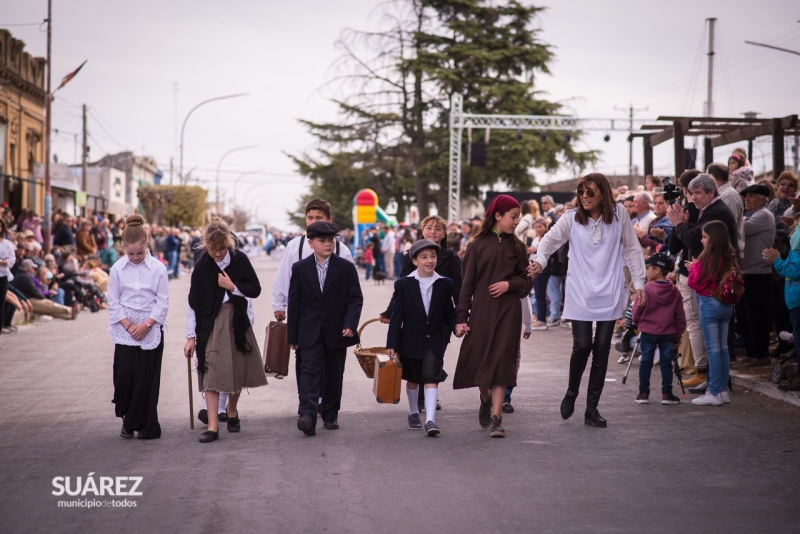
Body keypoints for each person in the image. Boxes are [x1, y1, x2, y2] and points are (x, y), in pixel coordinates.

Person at [530, 173, 646, 428]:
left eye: (590, 192)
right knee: (582, 346)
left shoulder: (619, 215)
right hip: (580, 289)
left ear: (604, 193)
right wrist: (539, 261)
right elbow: (548, 241)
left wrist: (639, 283)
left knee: (602, 349)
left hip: (610, 289)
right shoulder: (571, 218)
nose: (584, 196)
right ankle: (572, 391)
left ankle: (591, 408)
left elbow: (632, 248)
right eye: (581, 191)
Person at [454, 194, 533, 438]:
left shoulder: (518, 247)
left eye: (518, 217)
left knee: (501, 361)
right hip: (482, 312)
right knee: (480, 360)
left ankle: (497, 419)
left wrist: (508, 285)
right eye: (513, 217)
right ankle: (485, 398)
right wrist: (461, 318)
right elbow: (466, 285)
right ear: (498, 216)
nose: (516, 221)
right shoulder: (476, 245)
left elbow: (526, 283)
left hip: (509, 313)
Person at [184, 217, 267, 443]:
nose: (218, 254)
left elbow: (255, 289)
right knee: (211, 372)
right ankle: (212, 426)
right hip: (210, 324)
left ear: (228, 243)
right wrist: (190, 337)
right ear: (206, 246)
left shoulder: (240, 260)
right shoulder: (202, 266)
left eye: (221, 250)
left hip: (236, 321)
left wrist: (233, 287)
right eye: (213, 250)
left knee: (236, 371)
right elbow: (193, 303)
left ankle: (231, 409)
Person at [272, 199, 354, 410]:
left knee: (333, 365)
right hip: (306, 317)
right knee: (306, 363)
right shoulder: (295, 245)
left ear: (329, 220)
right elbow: (284, 277)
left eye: (319, 218)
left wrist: (349, 321)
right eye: (310, 218)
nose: (313, 222)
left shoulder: (341, 250)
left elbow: (351, 289)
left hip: (333, 319)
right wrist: (279, 304)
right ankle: (307, 403)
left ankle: (327, 406)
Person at [288, 221, 363, 436]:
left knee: (333, 373)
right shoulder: (300, 268)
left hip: (337, 330)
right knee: (309, 372)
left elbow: (355, 298)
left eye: (331, 240)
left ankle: (330, 415)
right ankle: (307, 416)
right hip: (308, 331)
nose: (328, 244)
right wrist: (292, 334)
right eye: (322, 241)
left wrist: (350, 324)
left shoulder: (345, 267)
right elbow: (294, 303)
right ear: (311, 243)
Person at [380, 215, 462, 413]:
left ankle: (430, 393)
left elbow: (458, 289)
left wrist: (461, 317)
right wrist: (390, 312)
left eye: (438, 229)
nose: (433, 231)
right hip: (415, 318)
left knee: (434, 356)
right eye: (429, 228)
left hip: (439, 318)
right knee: (417, 360)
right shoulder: (411, 256)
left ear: (444, 234)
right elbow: (401, 287)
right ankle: (420, 399)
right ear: (422, 231)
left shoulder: (450, 258)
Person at [667, 172, 739, 392]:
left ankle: (715, 386)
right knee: (716, 343)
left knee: (715, 343)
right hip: (708, 280)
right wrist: (681, 224)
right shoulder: (704, 211)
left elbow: (690, 239)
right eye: (691, 193)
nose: (694, 198)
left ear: (711, 192)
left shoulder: (716, 212)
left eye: (698, 193)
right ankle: (715, 383)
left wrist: (680, 225)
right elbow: (676, 246)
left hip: (712, 283)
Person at [107, 214, 169, 439]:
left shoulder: (158, 268)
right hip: (125, 327)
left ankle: (143, 424)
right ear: (123, 247)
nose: (135, 257)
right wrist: (127, 324)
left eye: (139, 253)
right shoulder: (117, 268)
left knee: (146, 378)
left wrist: (146, 325)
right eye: (130, 253)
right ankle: (126, 417)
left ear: (147, 245)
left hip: (150, 326)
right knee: (124, 376)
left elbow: (162, 301)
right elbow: (113, 301)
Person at [386, 239, 457, 436]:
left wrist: (457, 325)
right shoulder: (403, 284)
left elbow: (448, 312)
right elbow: (396, 316)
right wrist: (391, 344)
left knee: (431, 377)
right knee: (413, 380)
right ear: (415, 260)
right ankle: (413, 412)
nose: (429, 261)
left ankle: (431, 420)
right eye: (424, 257)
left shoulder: (445, 283)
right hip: (410, 340)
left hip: (434, 340)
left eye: (433, 256)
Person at [687, 221, 738, 406]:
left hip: (709, 303)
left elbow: (694, 282)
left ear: (713, 238)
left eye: (705, 236)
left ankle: (715, 390)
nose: (702, 240)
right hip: (726, 304)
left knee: (713, 349)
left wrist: (693, 267)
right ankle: (723, 389)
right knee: (723, 348)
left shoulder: (707, 257)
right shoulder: (729, 254)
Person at [631, 252, 686, 405]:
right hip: (668, 333)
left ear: (657, 270)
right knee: (666, 363)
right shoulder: (674, 291)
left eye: (648, 268)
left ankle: (643, 393)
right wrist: (678, 336)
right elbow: (680, 316)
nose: (646, 271)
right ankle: (667, 394)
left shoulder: (646, 289)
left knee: (646, 362)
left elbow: (636, 311)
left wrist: (638, 323)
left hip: (648, 331)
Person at [735, 184, 776, 367]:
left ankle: (761, 354)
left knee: (757, 316)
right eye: (746, 196)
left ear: (762, 198)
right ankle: (752, 352)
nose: (747, 199)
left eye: (751, 196)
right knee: (746, 315)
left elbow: (740, 229)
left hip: (758, 274)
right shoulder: (751, 215)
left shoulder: (763, 215)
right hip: (748, 272)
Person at [763, 228, 800, 391]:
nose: (793, 231)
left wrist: (776, 261)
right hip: (794, 303)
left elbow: (794, 271)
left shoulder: (797, 249)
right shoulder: (795, 250)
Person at [0, 218, 15, 345]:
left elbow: (11, 261)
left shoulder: (6, 244)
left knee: (0, 305)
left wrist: (1, 262)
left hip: (2, 277)